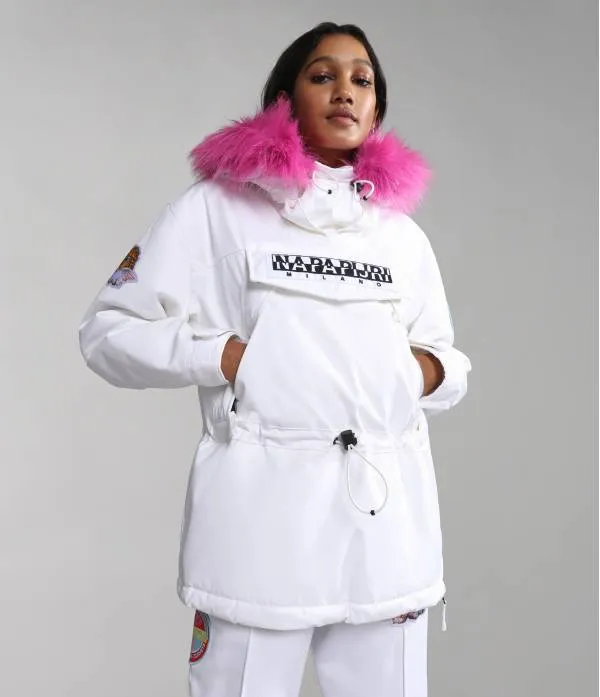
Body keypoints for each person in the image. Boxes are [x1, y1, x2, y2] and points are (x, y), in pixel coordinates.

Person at [79, 21, 471, 697]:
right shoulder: (215, 212)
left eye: (361, 80)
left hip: (386, 531)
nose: (345, 91)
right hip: (259, 528)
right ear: (285, 99)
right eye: (323, 75)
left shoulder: (401, 239)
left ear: (377, 107)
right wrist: (227, 357)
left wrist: (419, 373)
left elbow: (444, 359)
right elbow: (107, 333)